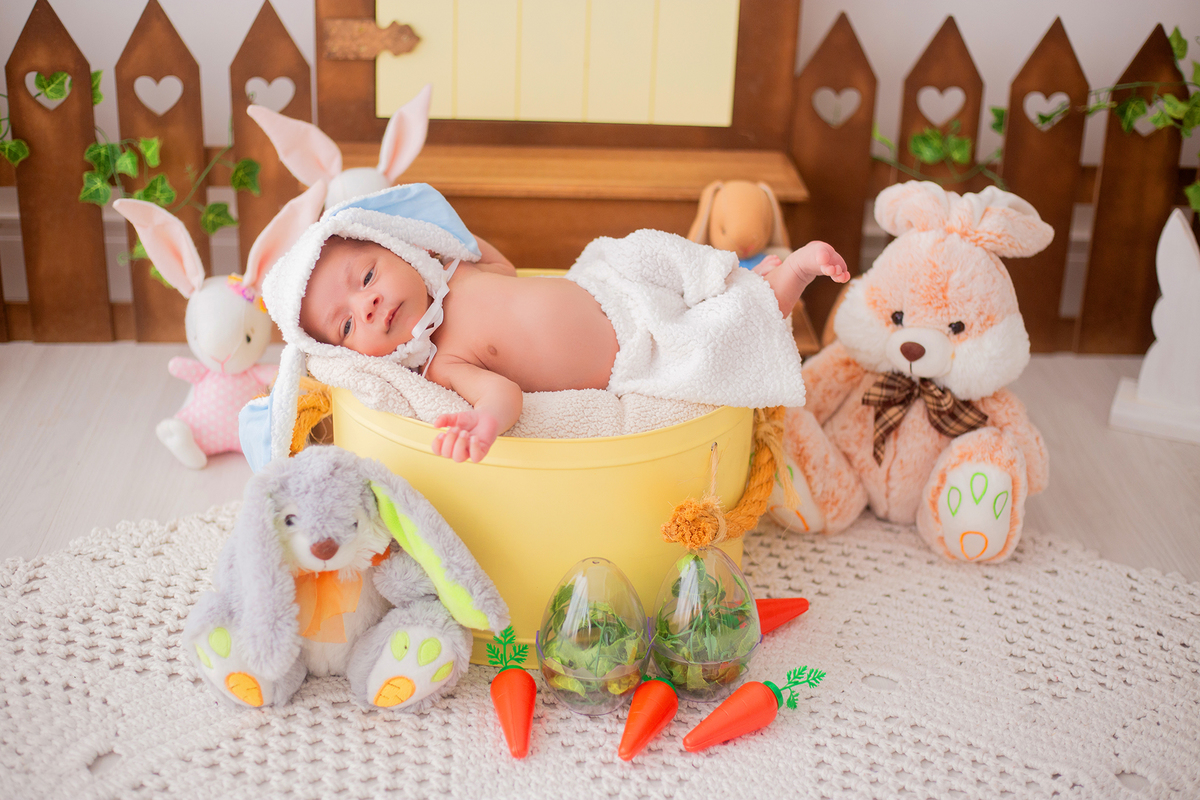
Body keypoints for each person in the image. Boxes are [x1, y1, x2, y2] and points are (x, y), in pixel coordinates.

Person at [262, 183, 849, 465]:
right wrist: (484, 421)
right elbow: (502, 391)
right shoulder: (443, 359)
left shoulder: (458, 270)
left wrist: (441, 241)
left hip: (610, 285)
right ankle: (783, 284)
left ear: (402, 251)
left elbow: (504, 267)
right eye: (343, 327)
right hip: (632, 356)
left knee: (647, 246)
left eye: (367, 278)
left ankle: (728, 276)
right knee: (712, 343)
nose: (366, 308)